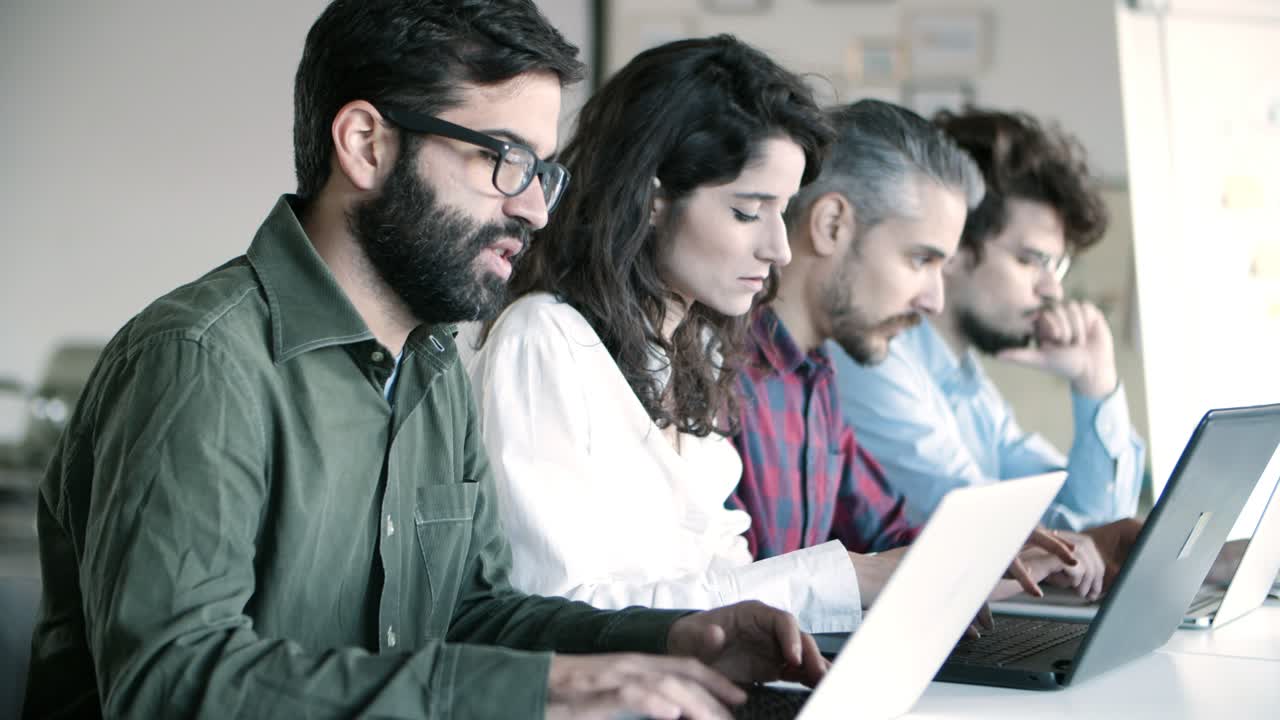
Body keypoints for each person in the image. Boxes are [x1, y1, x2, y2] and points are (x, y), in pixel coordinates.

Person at [22, 4, 827, 719]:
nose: (536, 207)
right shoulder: (201, 360)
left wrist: (673, 639)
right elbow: (170, 683)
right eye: (500, 159)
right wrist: (539, 692)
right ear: (366, 145)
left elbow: (471, 612)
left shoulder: (434, 367)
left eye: (542, 169)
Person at [466, 35, 885, 634]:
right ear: (653, 197)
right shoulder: (542, 341)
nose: (780, 249)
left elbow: (721, 576)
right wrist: (847, 578)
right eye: (747, 211)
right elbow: (559, 615)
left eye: (782, 211)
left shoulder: (694, 350)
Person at [732, 99, 1108, 603]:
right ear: (831, 226)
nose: (934, 300)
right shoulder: (720, 378)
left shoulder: (815, 377)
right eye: (920, 259)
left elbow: (894, 540)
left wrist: (1020, 558)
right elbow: (726, 601)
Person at [831, 108, 1144, 535]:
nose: (1052, 290)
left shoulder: (964, 377)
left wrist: (1096, 384)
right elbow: (984, 530)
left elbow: (1099, 518)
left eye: (1058, 266)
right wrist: (1099, 540)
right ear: (954, 247)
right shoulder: (872, 358)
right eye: (1030, 261)